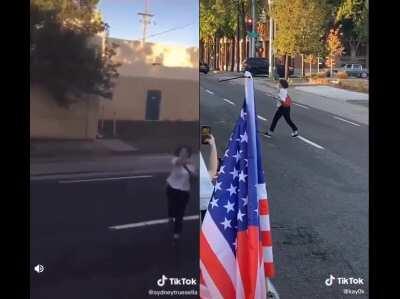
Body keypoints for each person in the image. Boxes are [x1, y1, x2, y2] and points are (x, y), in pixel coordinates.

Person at [166, 145, 195, 240]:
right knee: (171, 206)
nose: (183, 153)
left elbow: (194, 174)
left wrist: (191, 169)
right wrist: (186, 162)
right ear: (179, 153)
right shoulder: (175, 159)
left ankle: (177, 232)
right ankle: (170, 216)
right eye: (182, 151)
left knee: (180, 212)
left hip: (184, 191)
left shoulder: (192, 164)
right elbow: (178, 162)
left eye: (185, 152)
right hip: (171, 187)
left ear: (188, 153)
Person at [200, 134, 218, 222]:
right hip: (207, 200)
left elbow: (212, 171)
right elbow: (212, 171)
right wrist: (213, 145)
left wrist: (212, 145)